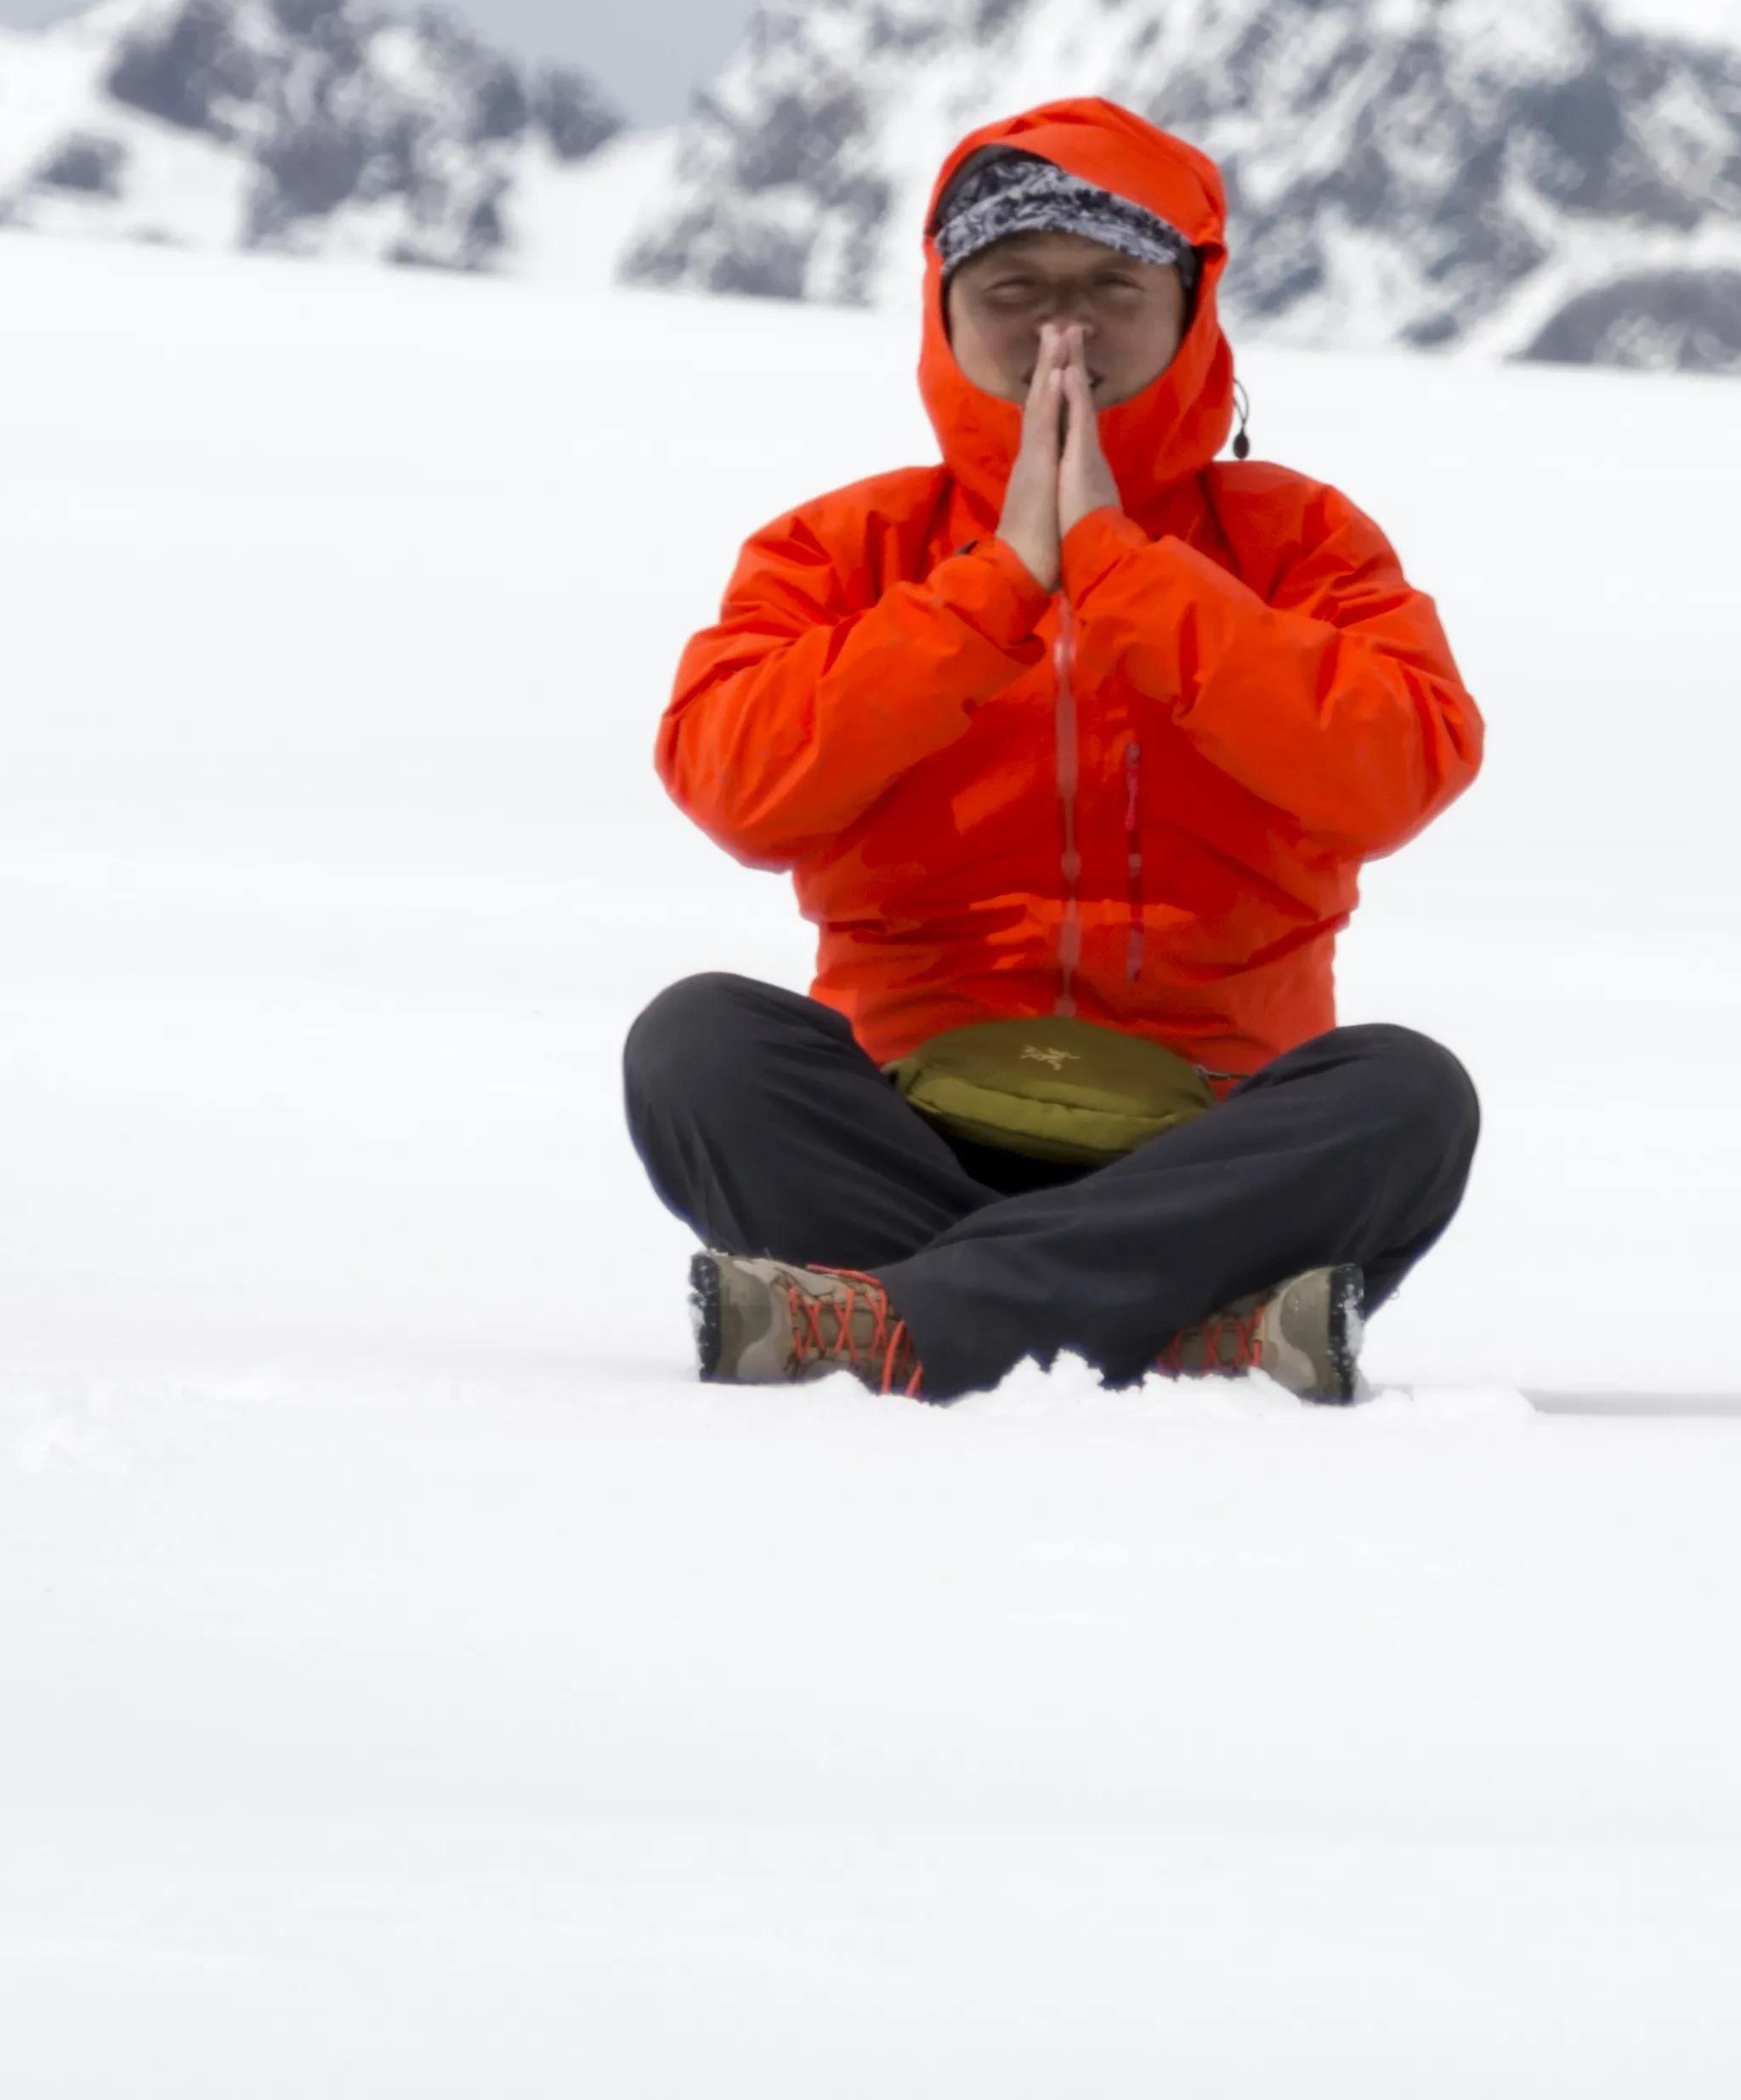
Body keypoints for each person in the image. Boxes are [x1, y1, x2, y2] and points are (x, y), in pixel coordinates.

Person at [629, 97, 1486, 1403]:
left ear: (1192, 312)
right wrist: (997, 586)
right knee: (698, 1045)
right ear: (946, 313)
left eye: (1112, 290)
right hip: (904, 1118)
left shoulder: (1303, 542)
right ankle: (1188, 1329)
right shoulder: (841, 548)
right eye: (1014, 290)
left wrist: (1124, 573)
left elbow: (1400, 766)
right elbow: (737, 783)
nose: (1062, 333)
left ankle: (890, 1318)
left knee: (1408, 1098)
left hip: (1210, 1136)